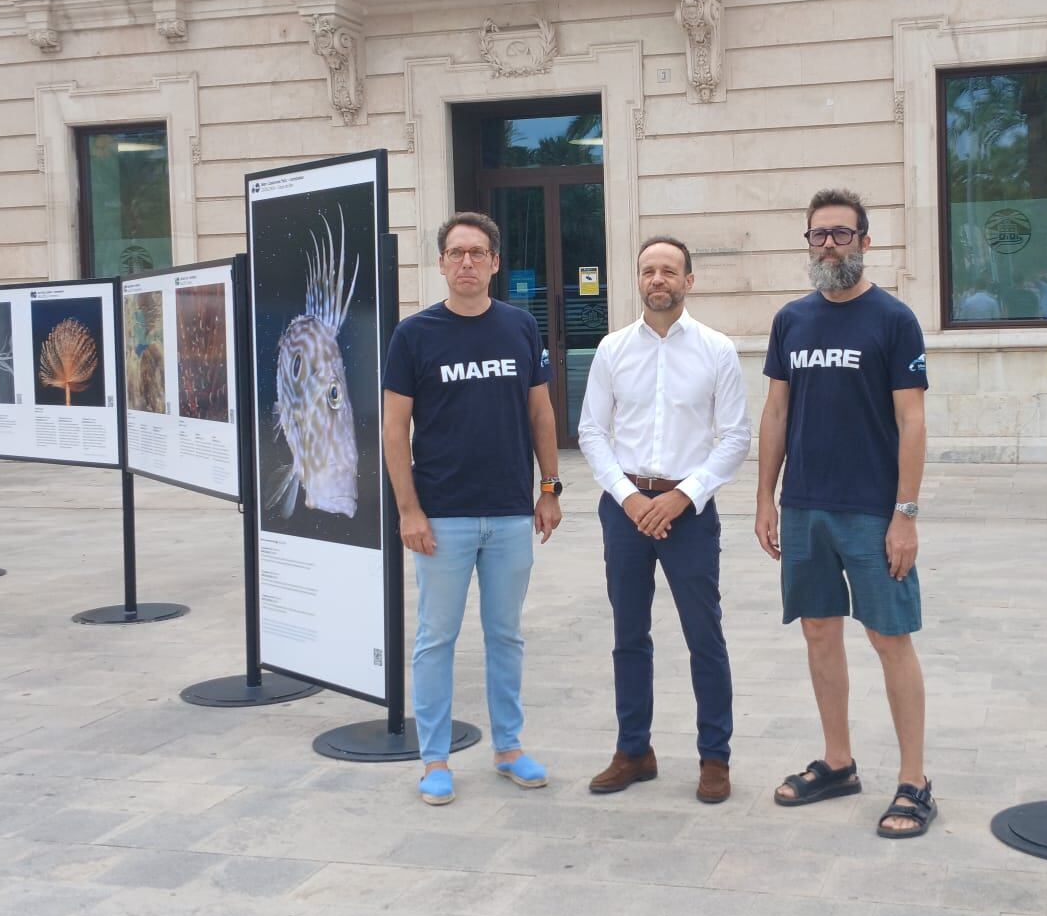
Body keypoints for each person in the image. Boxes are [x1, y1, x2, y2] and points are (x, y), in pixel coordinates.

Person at [755, 188, 935, 838]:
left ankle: (914, 781)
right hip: (805, 507)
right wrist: (764, 498)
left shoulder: (893, 320)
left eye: (841, 233)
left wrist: (904, 513)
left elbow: (911, 420)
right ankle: (838, 762)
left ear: (865, 239)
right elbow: (776, 412)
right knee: (819, 632)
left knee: (889, 638)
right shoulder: (792, 322)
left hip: (871, 511)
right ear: (808, 243)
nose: (829, 244)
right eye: (818, 235)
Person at [384, 211, 563, 806]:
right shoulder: (414, 335)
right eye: (456, 252)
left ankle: (509, 747)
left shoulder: (519, 327)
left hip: (510, 512)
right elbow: (393, 430)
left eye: (477, 252)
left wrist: (549, 489)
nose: (466, 262)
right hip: (443, 517)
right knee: (436, 638)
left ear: (493, 263)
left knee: (506, 635)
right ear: (441, 263)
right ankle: (434, 758)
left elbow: (541, 413)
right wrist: (409, 510)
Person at [577, 236, 752, 803]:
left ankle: (714, 757)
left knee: (705, 636)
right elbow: (592, 433)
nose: (659, 279)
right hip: (625, 509)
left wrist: (684, 497)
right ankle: (634, 750)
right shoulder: (611, 350)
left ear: (688, 281)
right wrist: (630, 499)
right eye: (649, 270)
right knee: (629, 635)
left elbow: (734, 437)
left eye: (670, 271)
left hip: (689, 511)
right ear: (638, 279)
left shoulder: (716, 350)